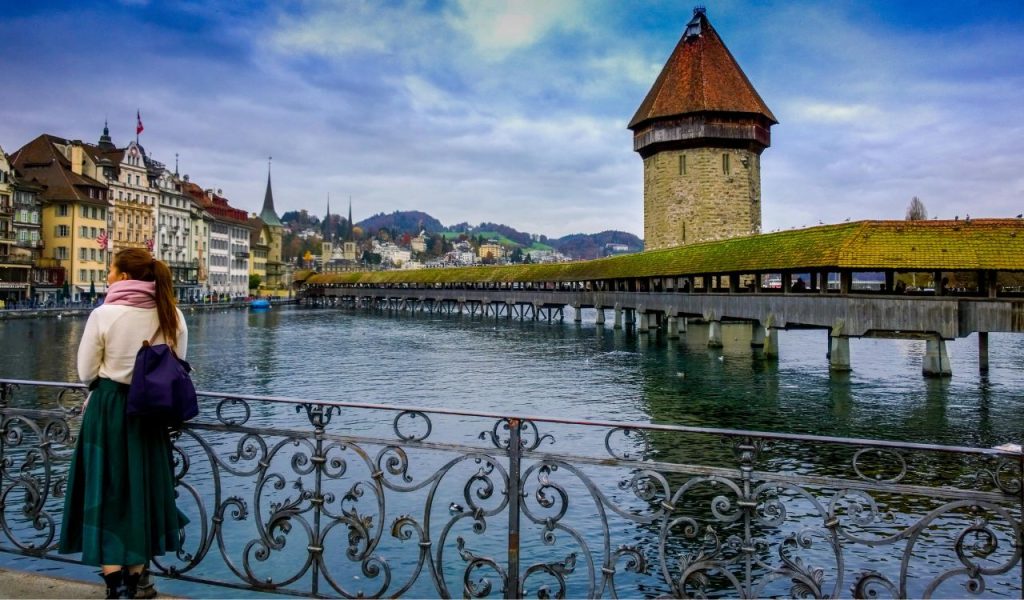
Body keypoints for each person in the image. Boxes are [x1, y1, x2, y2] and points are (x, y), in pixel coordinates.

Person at [58, 248, 189, 599]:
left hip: (110, 410)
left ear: (126, 277)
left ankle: (114, 584)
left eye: (111, 271)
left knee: (107, 489)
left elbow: (86, 371)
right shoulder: (172, 314)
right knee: (140, 490)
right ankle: (137, 579)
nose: (108, 277)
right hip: (151, 414)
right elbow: (179, 365)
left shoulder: (105, 314)